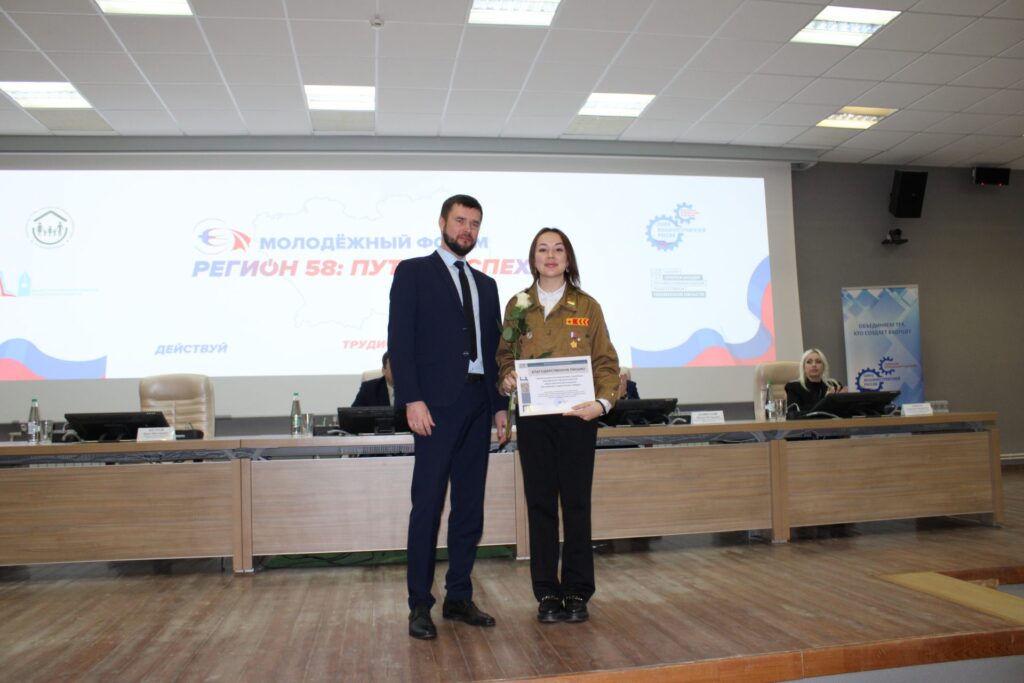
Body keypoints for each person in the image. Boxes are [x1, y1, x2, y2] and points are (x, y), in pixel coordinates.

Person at [388, 194, 508, 640]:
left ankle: (459, 596)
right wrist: (412, 399)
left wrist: (500, 406)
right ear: (442, 222)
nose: (466, 230)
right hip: (434, 408)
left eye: (474, 224)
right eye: (460, 221)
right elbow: (400, 340)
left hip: (479, 405)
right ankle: (420, 603)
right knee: (428, 506)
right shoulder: (413, 272)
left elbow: (494, 352)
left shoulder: (487, 285)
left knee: (469, 508)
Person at [497, 227, 619, 625]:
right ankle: (547, 590)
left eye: (558, 249)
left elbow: (606, 362)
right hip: (534, 419)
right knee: (541, 504)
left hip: (577, 418)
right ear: (533, 259)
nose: (550, 256)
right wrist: (506, 378)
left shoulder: (587, 305)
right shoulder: (518, 305)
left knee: (577, 504)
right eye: (542, 250)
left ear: (568, 259)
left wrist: (601, 403)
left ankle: (578, 590)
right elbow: (504, 356)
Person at [785, 348, 846, 415]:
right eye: (809, 362)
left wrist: (845, 399)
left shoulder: (834, 385)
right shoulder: (794, 387)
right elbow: (793, 414)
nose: (814, 365)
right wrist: (826, 401)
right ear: (803, 367)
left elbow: (843, 412)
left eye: (818, 362)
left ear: (824, 367)